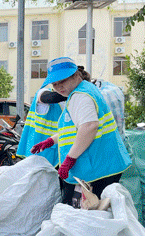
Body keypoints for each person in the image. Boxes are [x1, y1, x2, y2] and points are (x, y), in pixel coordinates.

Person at [31, 57, 131, 206]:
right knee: (92, 212)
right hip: (102, 163)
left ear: (76, 75)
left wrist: (69, 160)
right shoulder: (84, 90)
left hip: (97, 167)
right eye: (54, 84)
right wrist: (51, 140)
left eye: (62, 81)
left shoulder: (80, 96)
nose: (58, 87)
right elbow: (78, 128)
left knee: (85, 212)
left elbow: (89, 127)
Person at [16, 87, 65, 167]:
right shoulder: (43, 92)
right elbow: (51, 97)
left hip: (56, 149)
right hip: (39, 150)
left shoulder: (67, 102)